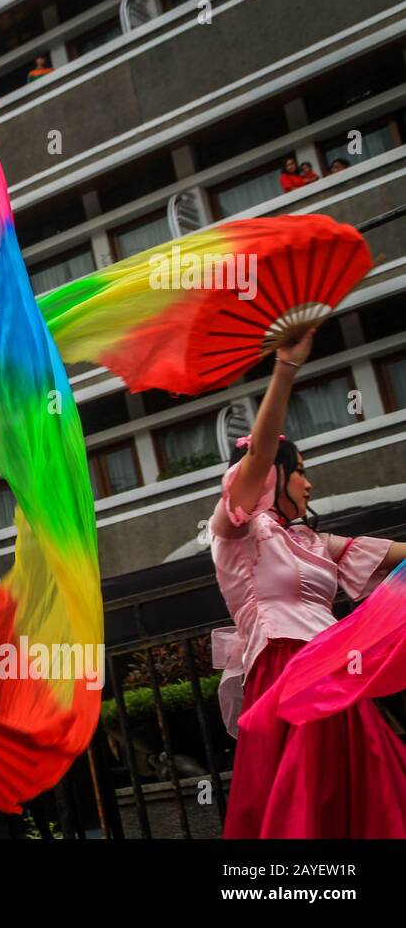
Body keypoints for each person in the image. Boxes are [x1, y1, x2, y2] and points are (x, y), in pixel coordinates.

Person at [210, 328, 406, 837]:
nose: (309, 482)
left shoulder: (314, 543)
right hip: (283, 667)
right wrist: (286, 368)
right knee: (307, 804)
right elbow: (256, 460)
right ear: (274, 474)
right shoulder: (239, 531)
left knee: (362, 794)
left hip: (333, 669)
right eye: (299, 470)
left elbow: (393, 556)